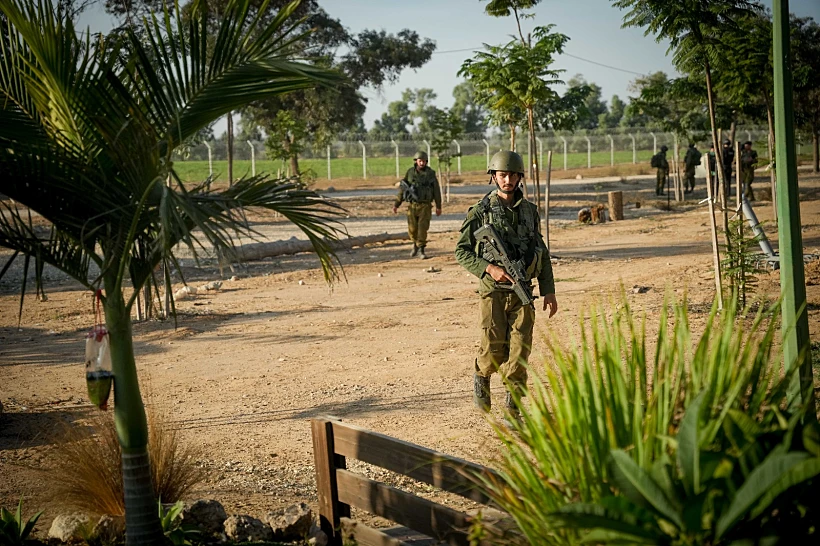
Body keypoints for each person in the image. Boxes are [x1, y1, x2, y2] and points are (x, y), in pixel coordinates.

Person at [454, 150, 558, 423]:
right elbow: (462, 252)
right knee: (492, 349)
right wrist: (490, 268)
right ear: (494, 177)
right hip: (493, 292)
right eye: (502, 175)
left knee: (521, 349)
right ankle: (481, 376)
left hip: (523, 290)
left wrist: (549, 290)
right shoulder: (480, 212)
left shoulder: (530, 212)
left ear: (520, 177)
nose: (508, 179)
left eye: (513, 175)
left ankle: (513, 406)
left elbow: (541, 251)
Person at [392, 150, 442, 259]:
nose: (422, 163)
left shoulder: (430, 174)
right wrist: (397, 204)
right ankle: (415, 245)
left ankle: (421, 249)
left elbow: (436, 191)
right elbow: (403, 189)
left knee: (422, 228)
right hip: (412, 206)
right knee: (412, 229)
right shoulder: (410, 173)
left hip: (425, 206)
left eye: (424, 161)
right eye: (420, 161)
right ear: (416, 161)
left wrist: (438, 206)